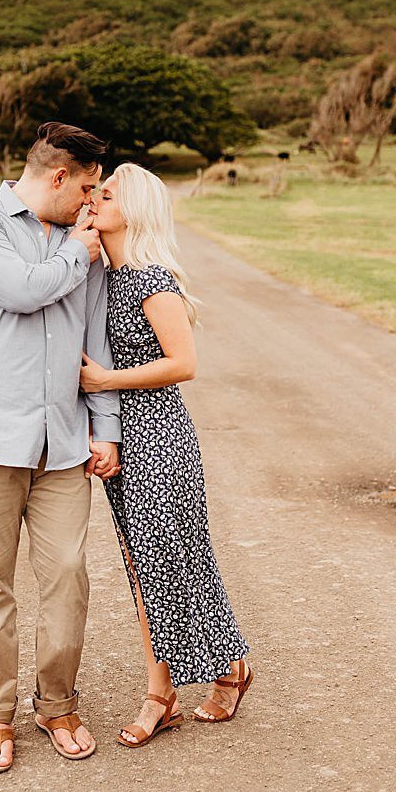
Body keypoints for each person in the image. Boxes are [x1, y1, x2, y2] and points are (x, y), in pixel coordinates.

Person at [0, 121, 121, 773]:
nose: (92, 202)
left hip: (65, 443)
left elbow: (95, 335)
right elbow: (21, 290)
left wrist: (106, 427)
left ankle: (58, 704)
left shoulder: (85, 241)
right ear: (57, 178)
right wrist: (78, 250)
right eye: (88, 187)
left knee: (68, 578)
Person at [80, 164, 253, 746]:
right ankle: (225, 668)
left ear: (134, 209)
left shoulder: (151, 279)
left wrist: (106, 382)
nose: (93, 200)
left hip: (159, 436)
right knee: (144, 565)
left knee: (168, 563)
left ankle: (162, 696)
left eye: (105, 195)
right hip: (121, 436)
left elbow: (184, 364)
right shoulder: (103, 275)